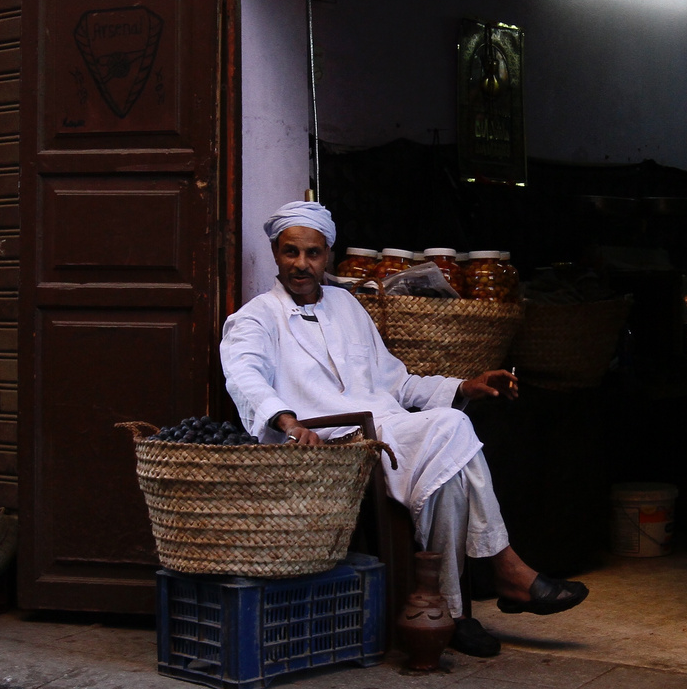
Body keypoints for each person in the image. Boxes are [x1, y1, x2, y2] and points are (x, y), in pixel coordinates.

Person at [221, 201, 587, 657]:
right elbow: (245, 374)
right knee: (451, 427)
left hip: (391, 432)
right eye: (291, 253)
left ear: (327, 255)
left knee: (449, 478)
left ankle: (452, 614)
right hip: (335, 443)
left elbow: (399, 382)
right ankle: (506, 568)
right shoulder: (256, 318)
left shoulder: (346, 305)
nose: (301, 264)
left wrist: (465, 385)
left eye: (312, 254)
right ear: (276, 253)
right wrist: (286, 419)